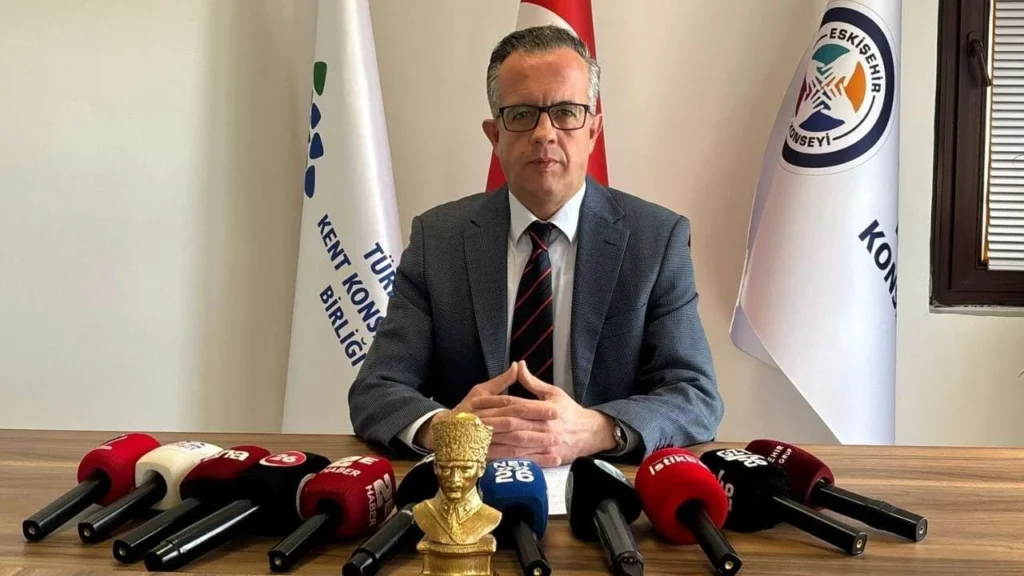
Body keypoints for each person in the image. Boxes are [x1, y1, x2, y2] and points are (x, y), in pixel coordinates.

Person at [349, 25, 723, 466]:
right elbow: (377, 388)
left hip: (601, 487)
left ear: (594, 131)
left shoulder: (655, 239)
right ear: (494, 135)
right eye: (523, 113)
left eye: (566, 112)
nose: (545, 133)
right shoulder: (439, 240)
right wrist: (446, 430)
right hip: (470, 485)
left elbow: (695, 394)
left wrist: (597, 429)